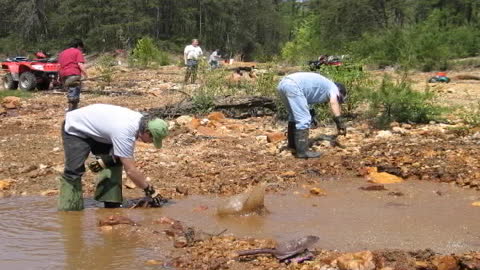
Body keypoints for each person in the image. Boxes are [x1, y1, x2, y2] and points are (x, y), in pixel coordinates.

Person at [58, 104, 169, 211]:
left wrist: (107, 160)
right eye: (153, 140)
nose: (151, 143)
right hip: (76, 128)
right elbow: (131, 170)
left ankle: (111, 203)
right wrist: (149, 190)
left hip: (99, 131)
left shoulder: (141, 122)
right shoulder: (125, 131)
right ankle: (69, 210)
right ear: (147, 132)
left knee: (115, 161)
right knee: (74, 171)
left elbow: (122, 153)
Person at [277, 72, 347, 159]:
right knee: (304, 119)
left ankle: (293, 145)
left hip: (282, 84)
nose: (338, 101)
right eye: (339, 98)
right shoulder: (333, 88)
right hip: (293, 85)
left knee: (294, 116)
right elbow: (333, 102)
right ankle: (302, 152)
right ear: (340, 91)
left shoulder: (324, 86)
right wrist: (339, 122)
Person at [58, 39, 88, 111]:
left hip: (64, 75)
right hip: (73, 74)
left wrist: (59, 77)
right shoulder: (77, 52)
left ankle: (72, 110)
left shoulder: (62, 53)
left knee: (71, 93)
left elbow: (59, 66)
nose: (81, 50)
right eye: (81, 48)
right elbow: (80, 64)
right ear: (78, 46)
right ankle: (72, 113)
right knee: (74, 96)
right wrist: (86, 74)